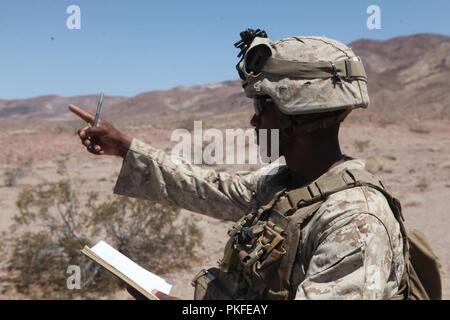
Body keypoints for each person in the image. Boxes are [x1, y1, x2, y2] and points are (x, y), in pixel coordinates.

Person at [69, 31, 410, 300]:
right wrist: (125, 147)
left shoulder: (355, 222)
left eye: (263, 104)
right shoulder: (284, 185)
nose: (254, 119)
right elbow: (209, 188)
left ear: (296, 113)